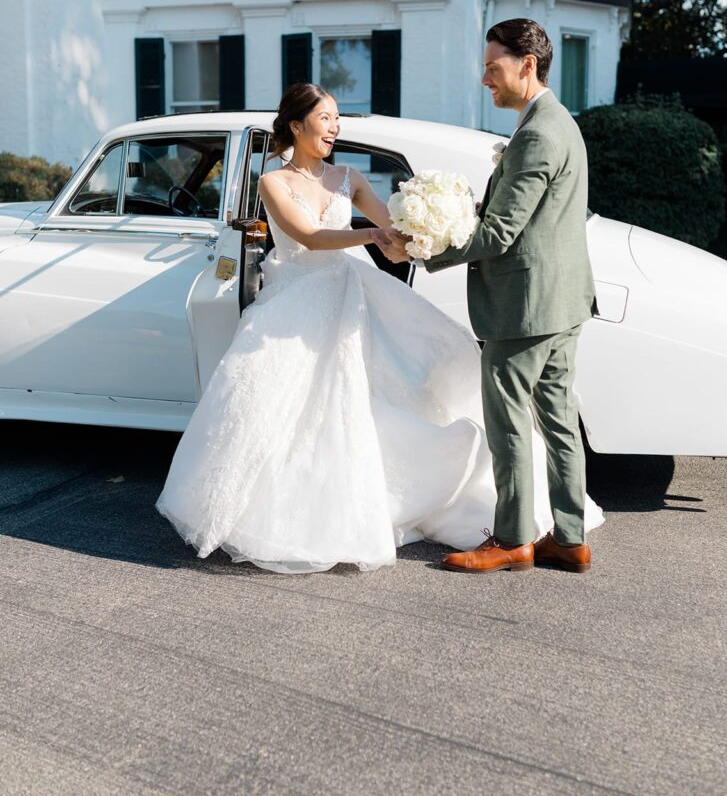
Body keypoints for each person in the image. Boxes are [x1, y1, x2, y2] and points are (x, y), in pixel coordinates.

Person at [155, 81, 602, 574]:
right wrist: (372, 235)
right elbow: (308, 235)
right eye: (325, 118)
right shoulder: (272, 182)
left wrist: (426, 227)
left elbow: (394, 225)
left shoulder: (347, 177)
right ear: (298, 124)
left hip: (349, 296)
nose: (334, 127)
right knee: (277, 404)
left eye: (337, 118)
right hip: (294, 301)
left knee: (362, 397)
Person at [386, 18, 600, 574]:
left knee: (508, 424)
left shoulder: (537, 134)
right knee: (557, 421)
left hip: (525, 308)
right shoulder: (560, 123)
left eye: (492, 67)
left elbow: (501, 232)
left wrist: (424, 250)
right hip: (563, 300)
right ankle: (570, 539)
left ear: (526, 65)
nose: (486, 79)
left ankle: (511, 540)